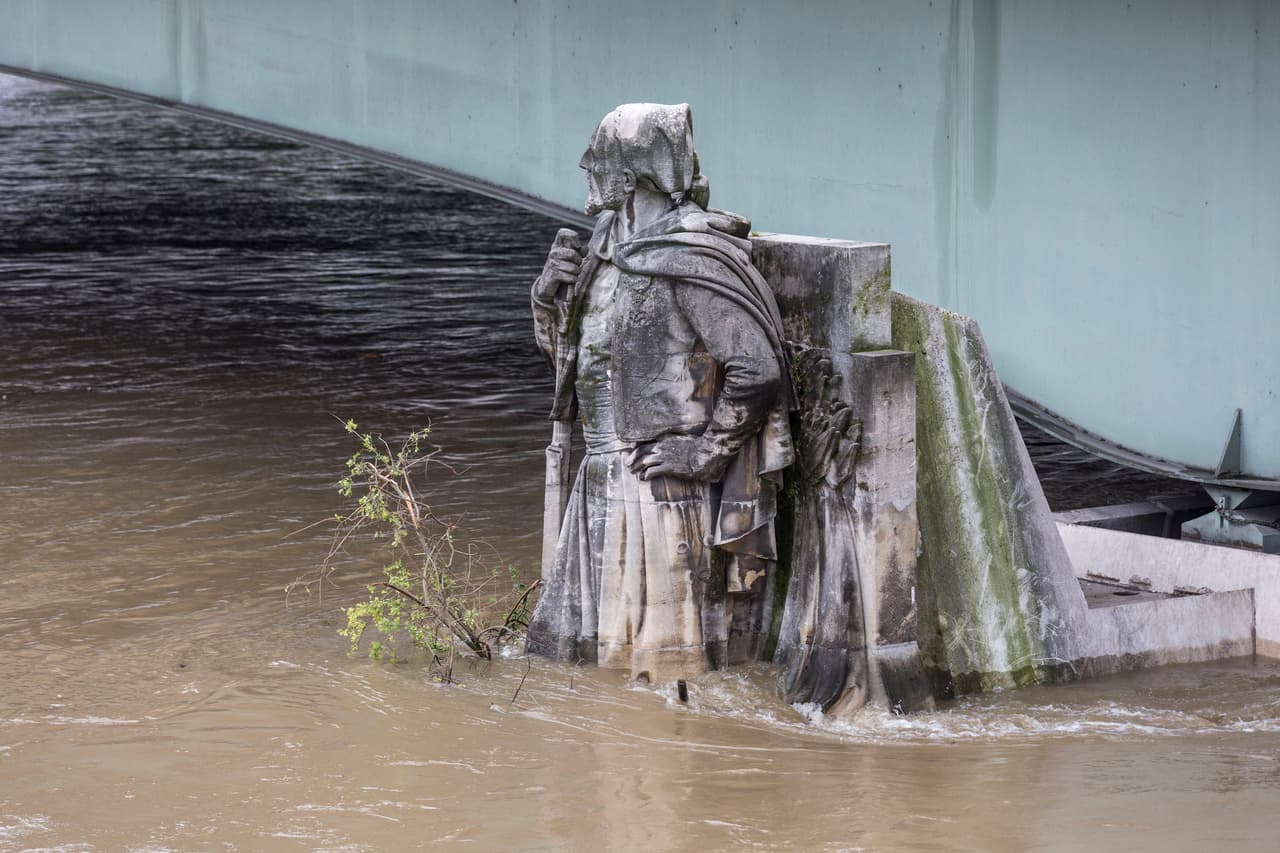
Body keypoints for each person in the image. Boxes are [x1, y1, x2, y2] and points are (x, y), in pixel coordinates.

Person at [526, 103, 793, 682]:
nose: (584, 165)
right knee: (575, 669)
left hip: (655, 491)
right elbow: (575, 368)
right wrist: (547, 298)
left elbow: (756, 367)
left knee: (660, 679)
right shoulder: (603, 247)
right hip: (596, 475)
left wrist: (703, 454)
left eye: (598, 154)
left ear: (633, 169)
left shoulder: (689, 254)